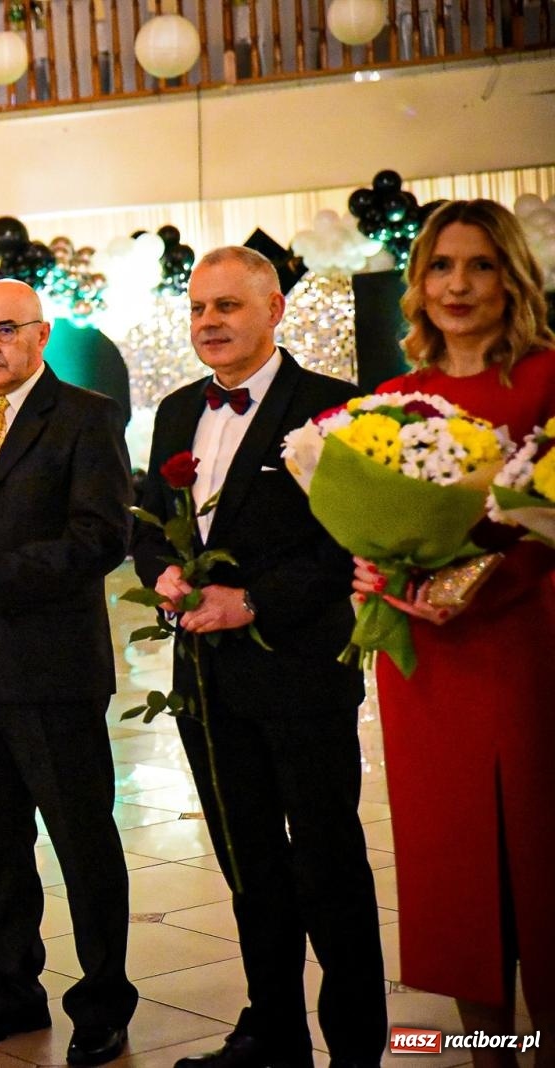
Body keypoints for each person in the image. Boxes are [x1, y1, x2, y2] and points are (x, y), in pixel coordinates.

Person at [133, 249, 386, 1068]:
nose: (209, 322)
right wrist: (160, 570)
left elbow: (347, 542)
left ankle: (354, 1043)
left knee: (327, 866)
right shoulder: (174, 412)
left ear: (274, 310)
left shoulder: (334, 409)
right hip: (207, 680)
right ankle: (271, 1026)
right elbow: (148, 522)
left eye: (228, 307)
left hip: (302, 673)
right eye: (199, 308)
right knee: (247, 863)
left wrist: (255, 600)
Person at [352, 200, 555, 1065]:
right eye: (441, 267)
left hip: (527, 645)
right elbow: (371, 526)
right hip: (426, 664)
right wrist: (370, 570)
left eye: (479, 265)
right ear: (419, 284)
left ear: (513, 276)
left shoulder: (550, 380)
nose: (459, 285)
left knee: (543, 865)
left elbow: (544, 520)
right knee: (456, 872)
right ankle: (487, 1054)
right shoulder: (392, 400)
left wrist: (475, 585)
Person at [0, 280, 136, 1061]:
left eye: (4, 329)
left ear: (40, 335)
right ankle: (13, 990)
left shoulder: (85, 416)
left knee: (81, 844)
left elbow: (102, 536)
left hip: (53, 671)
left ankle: (104, 1002)